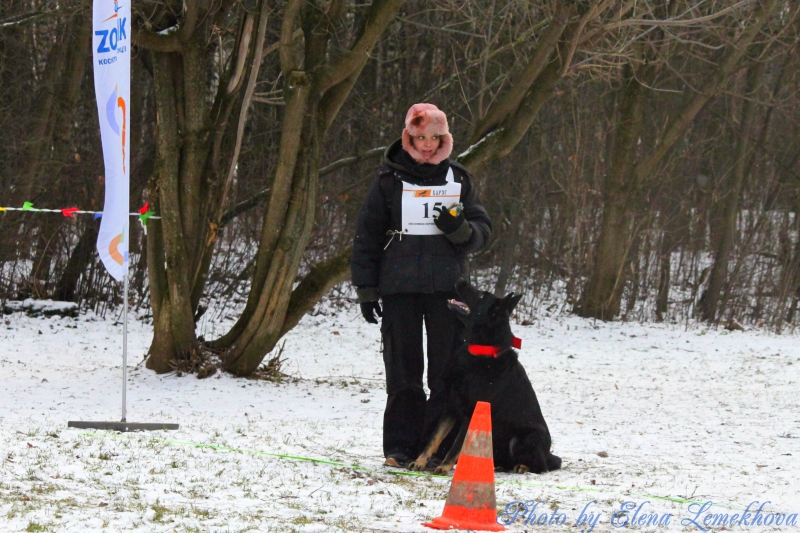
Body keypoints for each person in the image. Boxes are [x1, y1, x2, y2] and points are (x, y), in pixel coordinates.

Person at [350, 103, 492, 467]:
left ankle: (438, 448)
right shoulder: (387, 182)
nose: (428, 145)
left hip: (448, 289)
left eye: (435, 137)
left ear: (445, 139)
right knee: (403, 371)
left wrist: (461, 230)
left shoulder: (458, 180)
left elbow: (483, 231)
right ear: (408, 138)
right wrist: (366, 289)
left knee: (446, 371)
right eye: (420, 137)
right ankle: (400, 448)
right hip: (399, 289)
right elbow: (366, 237)